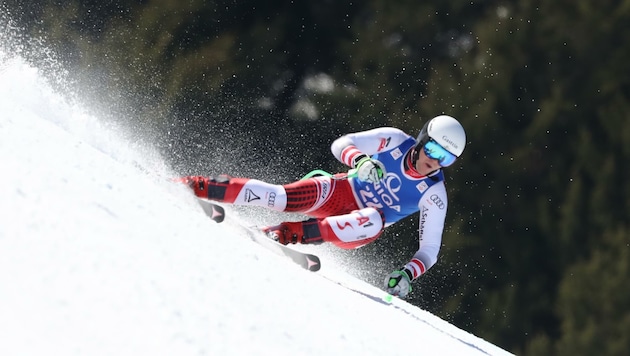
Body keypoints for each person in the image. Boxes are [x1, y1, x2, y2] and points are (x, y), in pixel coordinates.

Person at [178, 115, 466, 298]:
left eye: (447, 158)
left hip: (357, 228)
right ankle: (200, 186)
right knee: (280, 197)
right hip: (340, 192)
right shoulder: (394, 140)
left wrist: (407, 273)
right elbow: (342, 143)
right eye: (433, 150)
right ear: (422, 140)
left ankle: (287, 234)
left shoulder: (434, 193)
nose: (436, 161)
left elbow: (429, 250)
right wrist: (360, 160)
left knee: (373, 218)